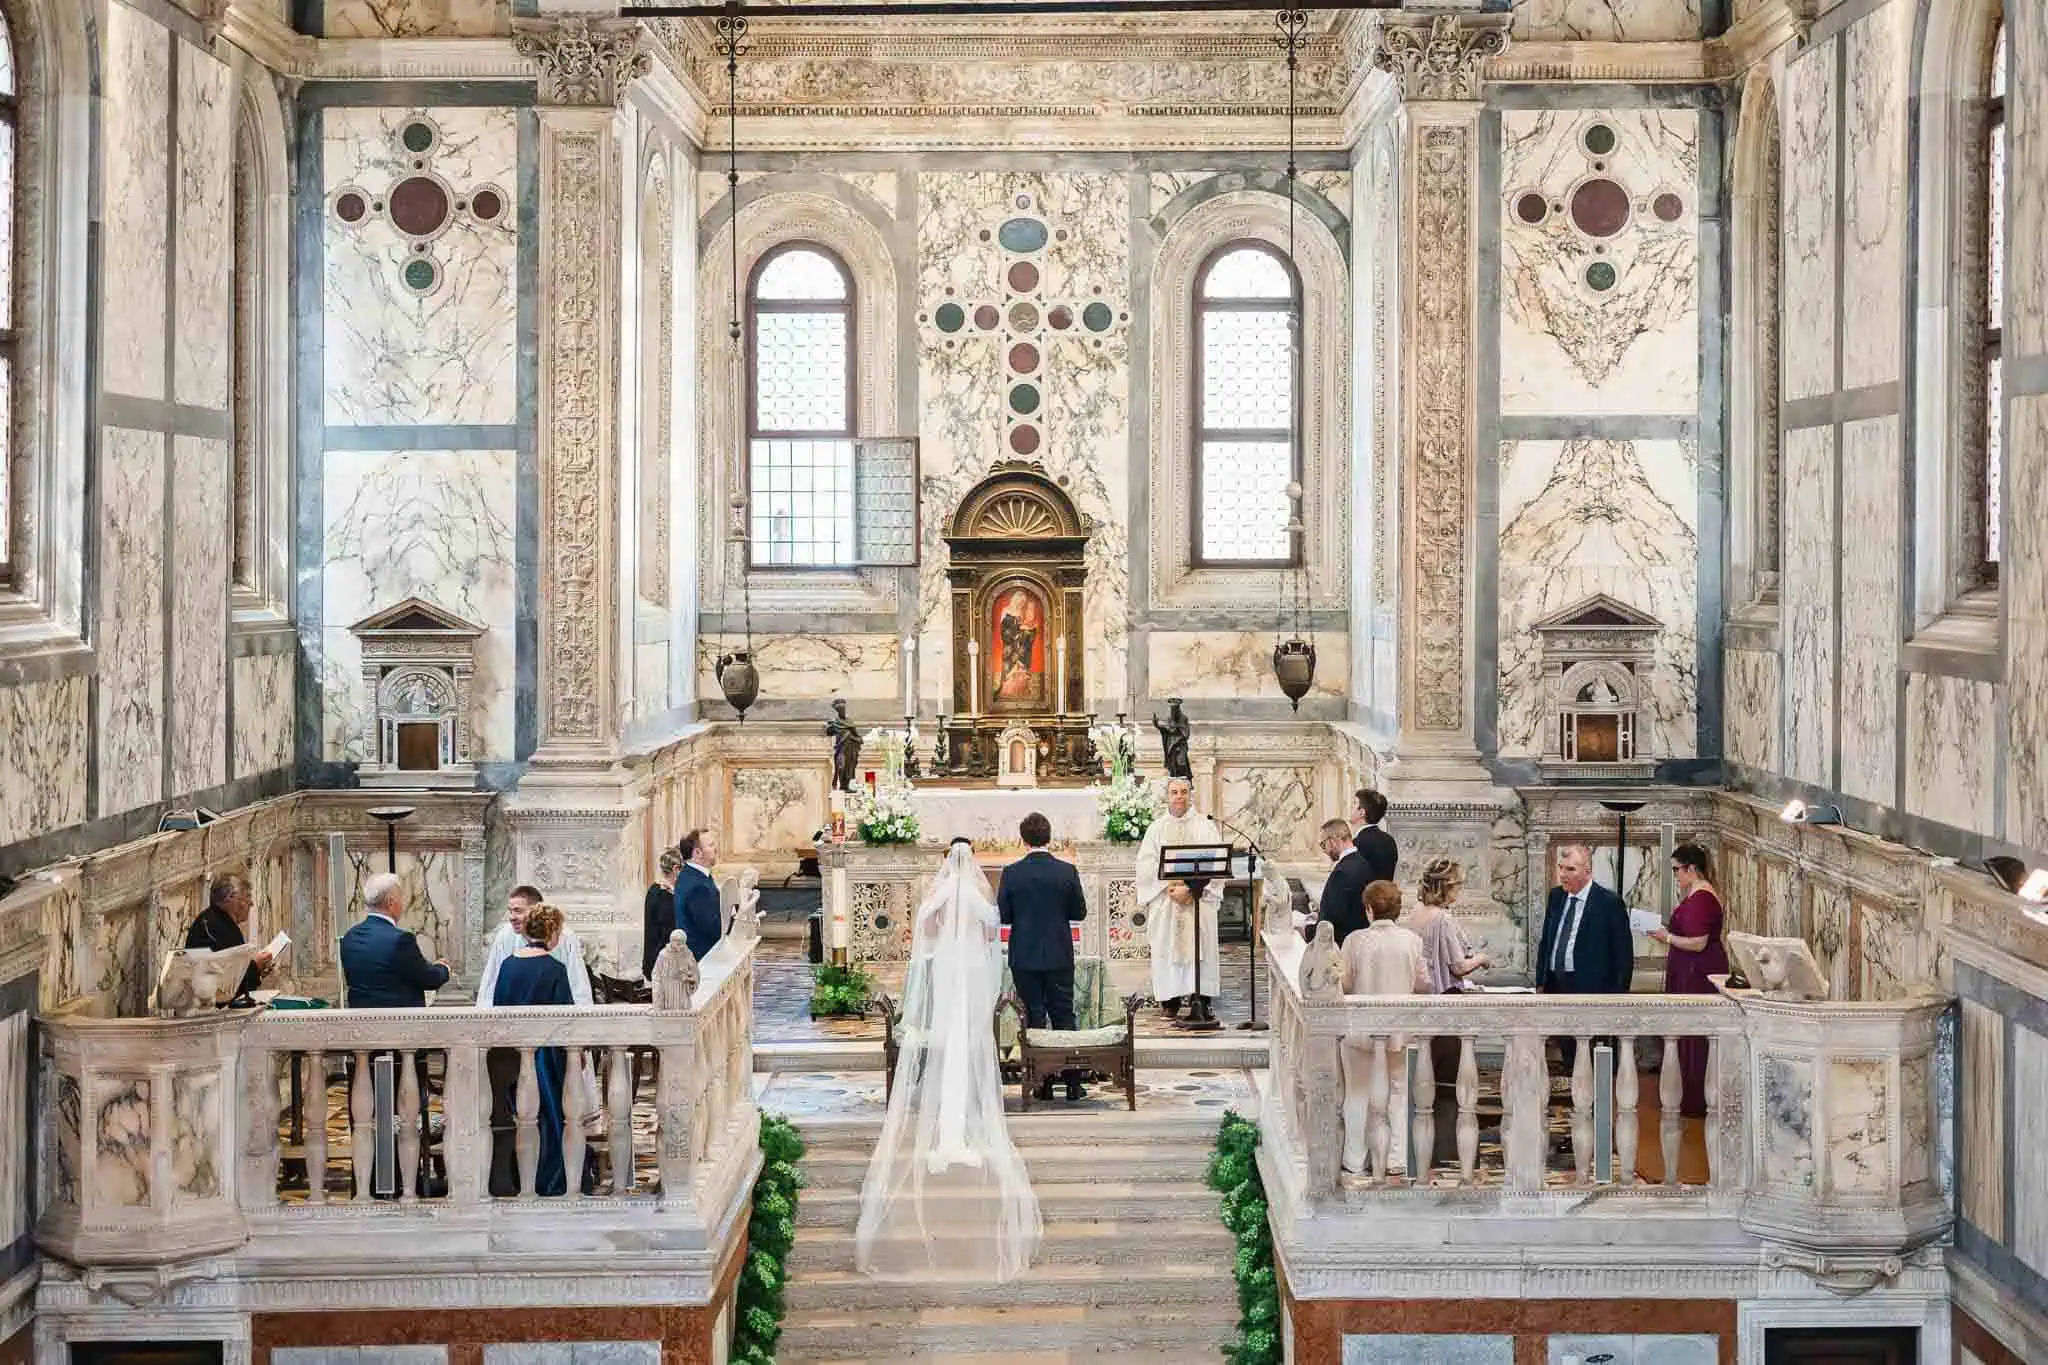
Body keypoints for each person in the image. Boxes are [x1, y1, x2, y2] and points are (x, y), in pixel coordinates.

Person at [856, 841, 1042, 1284]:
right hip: (971, 977)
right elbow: (993, 931)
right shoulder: (977, 896)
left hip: (946, 971)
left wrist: (941, 934)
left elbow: (925, 926)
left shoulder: (942, 892)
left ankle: (947, 1131)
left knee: (949, 1048)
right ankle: (959, 1128)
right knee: (967, 1047)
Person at [488, 904, 592, 1196]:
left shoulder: (508, 964)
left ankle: (518, 1176)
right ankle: (552, 1177)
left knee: (518, 1115)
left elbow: (498, 1009)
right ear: (551, 931)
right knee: (550, 1116)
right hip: (547, 1059)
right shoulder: (555, 969)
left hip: (511, 1057)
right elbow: (566, 1019)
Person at [1337, 881, 1429, 1177]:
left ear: (1368, 909)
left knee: (1358, 1092)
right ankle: (1395, 1157)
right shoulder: (1412, 941)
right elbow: (1422, 985)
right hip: (1399, 1031)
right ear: (1398, 910)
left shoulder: (1354, 941)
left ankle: (1355, 1157)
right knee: (1398, 1093)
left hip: (1361, 1029)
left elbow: (1345, 984)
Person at [997, 816, 1089, 1100]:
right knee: (1064, 1014)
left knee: (1033, 1015)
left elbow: (1004, 915)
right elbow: (1079, 912)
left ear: (1023, 840)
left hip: (1024, 955)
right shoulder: (1066, 871)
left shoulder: (1012, 873)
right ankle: (1073, 1083)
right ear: (1049, 837)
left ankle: (1041, 1082)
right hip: (1059, 953)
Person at [1534, 843, 1634, 1075]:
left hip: (1593, 993)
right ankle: (1573, 1103)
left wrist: (1616, 999)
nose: (1563, 874)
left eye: (1570, 869)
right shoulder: (1556, 896)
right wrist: (1541, 981)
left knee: (1592, 1060)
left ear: (1587, 871)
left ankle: (1595, 1106)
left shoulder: (1609, 903)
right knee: (1568, 1056)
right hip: (1558, 987)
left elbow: (1623, 956)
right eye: (1561, 868)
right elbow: (1546, 941)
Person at [1649, 842, 1730, 1117]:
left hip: (1697, 972)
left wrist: (1667, 938)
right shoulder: (1697, 894)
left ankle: (1694, 1097)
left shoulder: (1703, 898)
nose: (1676, 876)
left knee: (1693, 1032)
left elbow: (1698, 942)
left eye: (1677, 870)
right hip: (1690, 969)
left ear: (1691, 869)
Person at [1135, 776, 1223, 1019]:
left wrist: (1192, 889)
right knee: (1166, 945)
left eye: (1184, 792)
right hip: (1167, 898)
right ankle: (1170, 999)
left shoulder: (1205, 826)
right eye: (1174, 792)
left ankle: (1201, 998)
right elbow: (1145, 865)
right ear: (1168, 796)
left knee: (1201, 946)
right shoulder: (1156, 828)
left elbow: (1216, 861)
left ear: (1190, 795)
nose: (1179, 797)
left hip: (1198, 899)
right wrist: (1171, 887)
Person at [340, 873, 450, 1008]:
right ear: (391, 903)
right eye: (401, 899)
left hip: (360, 1022)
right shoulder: (401, 940)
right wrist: (443, 968)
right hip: (396, 1023)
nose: (403, 904)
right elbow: (429, 979)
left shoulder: (349, 937)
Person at [478, 884, 593, 1008]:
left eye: (518, 911)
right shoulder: (505, 935)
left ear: (536, 911)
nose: (512, 918)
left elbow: (578, 984)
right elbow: (491, 983)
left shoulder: (565, 936)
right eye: (510, 911)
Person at [184, 874, 273, 1002]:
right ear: (229, 898)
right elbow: (231, 984)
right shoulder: (219, 928)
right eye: (246, 896)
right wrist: (256, 966)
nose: (251, 903)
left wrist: (257, 970)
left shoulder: (211, 920)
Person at [1409, 857, 1489, 995]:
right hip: (1441, 994)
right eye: (1458, 885)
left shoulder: (1416, 911)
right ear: (1447, 887)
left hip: (1420, 991)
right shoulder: (1442, 918)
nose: (1460, 890)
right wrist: (1482, 959)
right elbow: (1459, 967)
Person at [1315, 818, 1371, 944]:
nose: (1324, 851)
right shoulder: (1363, 863)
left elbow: (1331, 921)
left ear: (1334, 840)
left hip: (1342, 947)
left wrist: (1307, 930)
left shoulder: (1341, 873)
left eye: (1323, 844)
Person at [675, 829, 723, 960]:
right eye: (711, 845)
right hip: (703, 961)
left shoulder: (693, 875)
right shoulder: (698, 886)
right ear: (697, 852)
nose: (716, 849)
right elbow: (715, 929)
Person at [642, 851, 682, 980]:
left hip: (656, 963)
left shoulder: (654, 889)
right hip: (663, 967)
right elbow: (670, 932)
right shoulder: (663, 895)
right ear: (676, 869)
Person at [1351, 788, 1398, 885]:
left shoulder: (1358, 844)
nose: (1350, 807)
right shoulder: (1389, 840)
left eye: (1354, 803)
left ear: (1362, 812)